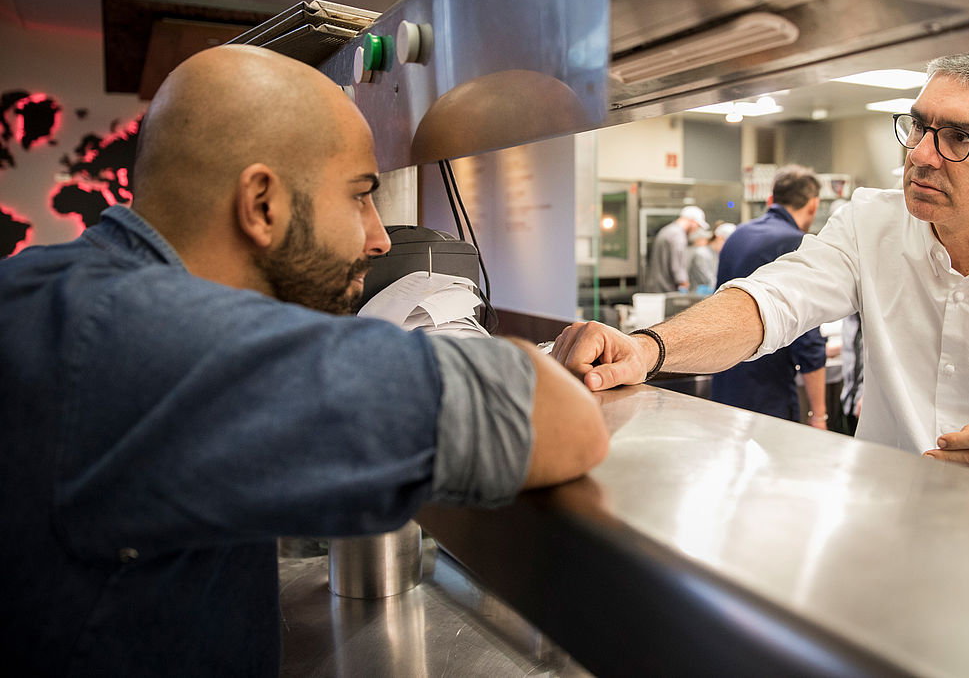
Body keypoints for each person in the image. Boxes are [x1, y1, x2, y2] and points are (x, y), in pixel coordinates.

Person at [0, 45, 609, 676]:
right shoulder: (153, 343)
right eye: (359, 196)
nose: (378, 237)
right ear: (262, 204)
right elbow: (557, 420)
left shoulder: (54, 291)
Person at [551, 44, 969, 508]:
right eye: (919, 126)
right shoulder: (871, 221)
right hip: (880, 528)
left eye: (959, 138)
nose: (921, 153)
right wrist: (646, 348)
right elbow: (771, 301)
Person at [710, 166, 828, 428]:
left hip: (723, 385)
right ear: (813, 205)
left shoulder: (737, 235)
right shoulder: (798, 243)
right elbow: (807, 341)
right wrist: (818, 414)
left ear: (771, 199)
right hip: (767, 395)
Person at [644, 205, 707, 292]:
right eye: (697, 225)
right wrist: (684, 283)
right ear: (692, 220)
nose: (696, 229)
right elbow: (677, 265)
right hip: (665, 289)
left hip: (657, 286)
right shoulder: (677, 235)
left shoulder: (669, 230)